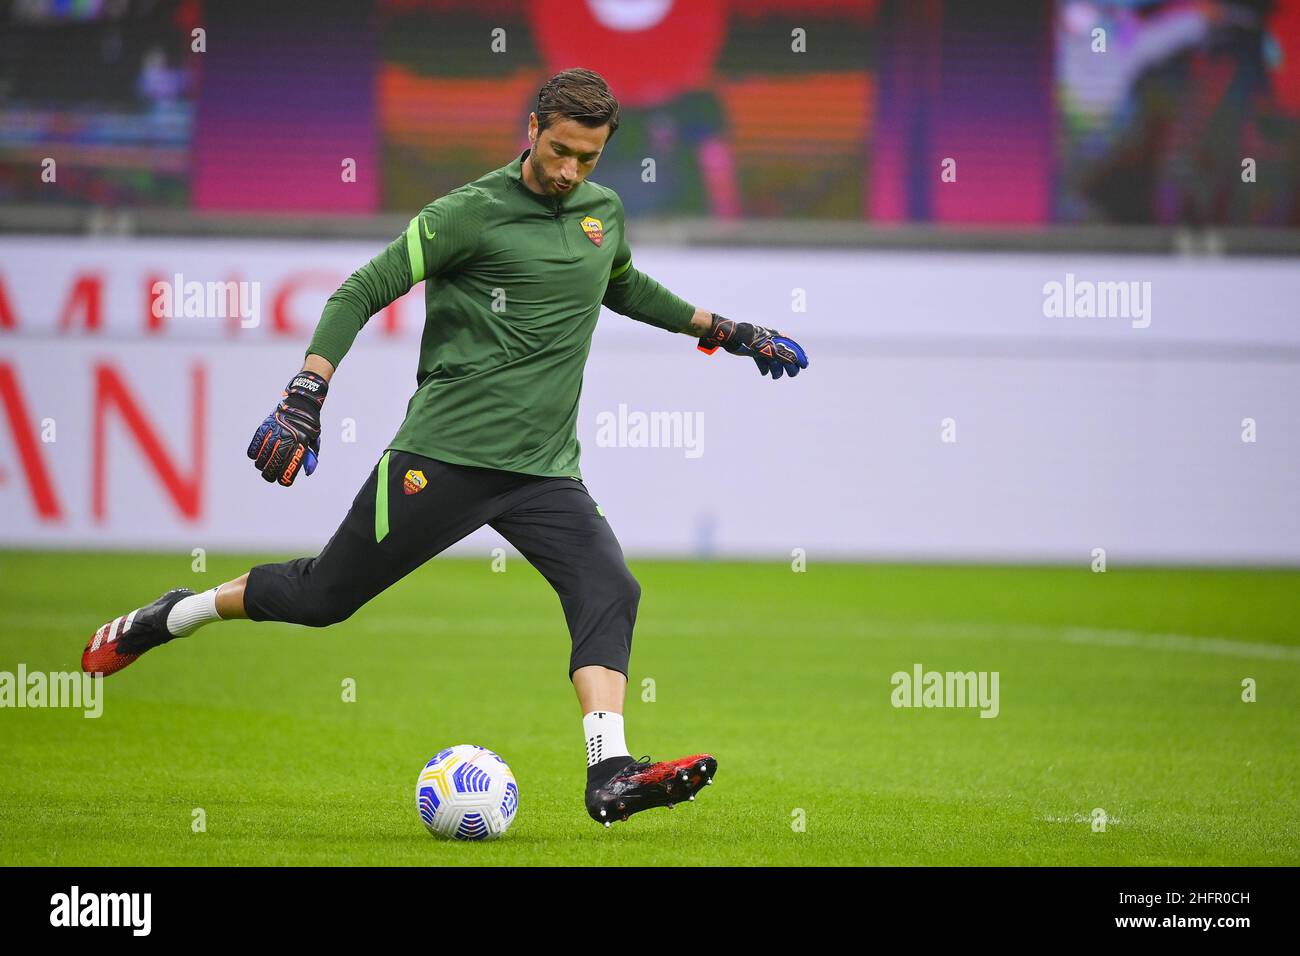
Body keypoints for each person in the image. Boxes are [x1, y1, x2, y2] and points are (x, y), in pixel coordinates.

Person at [81, 68, 808, 828]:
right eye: (558, 151)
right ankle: (173, 615)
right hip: (443, 457)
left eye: (585, 160)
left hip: (543, 472)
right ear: (532, 127)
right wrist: (306, 392)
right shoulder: (468, 213)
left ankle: (610, 769)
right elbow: (359, 291)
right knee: (322, 598)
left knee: (611, 588)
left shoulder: (602, 214)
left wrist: (728, 331)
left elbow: (622, 286)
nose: (567, 172)